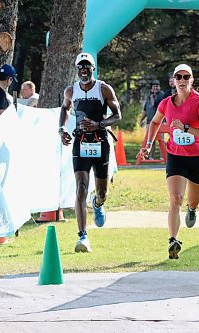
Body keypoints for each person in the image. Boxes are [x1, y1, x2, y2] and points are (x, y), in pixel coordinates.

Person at [137, 64, 199, 259]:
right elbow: (154, 122)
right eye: (178, 77)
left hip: (198, 157)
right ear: (173, 80)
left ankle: (193, 209)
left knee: (192, 201)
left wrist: (186, 128)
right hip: (176, 156)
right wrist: (148, 144)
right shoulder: (166, 103)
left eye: (186, 77)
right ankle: (173, 240)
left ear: (191, 80)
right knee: (175, 198)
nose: (182, 80)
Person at [58, 52, 121, 253]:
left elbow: (117, 115)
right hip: (81, 143)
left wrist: (99, 124)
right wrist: (61, 129)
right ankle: (83, 236)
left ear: (93, 69)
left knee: (101, 191)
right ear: (77, 70)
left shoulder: (104, 89)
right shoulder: (71, 90)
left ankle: (98, 203)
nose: (84, 70)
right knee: (81, 187)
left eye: (87, 67)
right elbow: (65, 109)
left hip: (101, 142)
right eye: (80, 67)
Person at [140, 79, 165, 159]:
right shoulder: (149, 96)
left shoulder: (162, 95)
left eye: (157, 86)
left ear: (159, 87)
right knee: (150, 140)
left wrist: (152, 98)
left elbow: (155, 104)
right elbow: (145, 110)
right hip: (149, 121)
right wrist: (141, 120)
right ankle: (151, 156)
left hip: (160, 122)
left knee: (161, 139)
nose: (155, 88)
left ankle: (163, 156)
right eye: (154, 86)